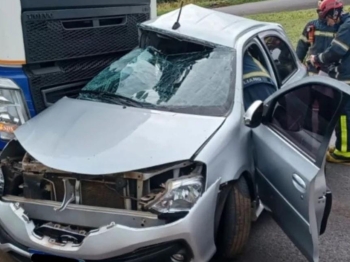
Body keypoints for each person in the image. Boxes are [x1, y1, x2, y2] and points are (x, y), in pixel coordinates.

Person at [310, 0, 350, 164]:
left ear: (335, 13)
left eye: (327, 18)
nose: (327, 22)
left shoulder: (348, 27)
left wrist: (317, 59)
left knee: (343, 114)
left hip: (346, 76)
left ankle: (344, 152)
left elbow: (336, 51)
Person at [296, 0, 338, 135]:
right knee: (306, 108)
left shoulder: (339, 27)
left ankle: (321, 136)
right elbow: (302, 47)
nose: (321, 14)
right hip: (310, 76)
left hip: (328, 77)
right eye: (319, 11)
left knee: (326, 110)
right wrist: (297, 64)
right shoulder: (311, 26)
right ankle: (307, 135)